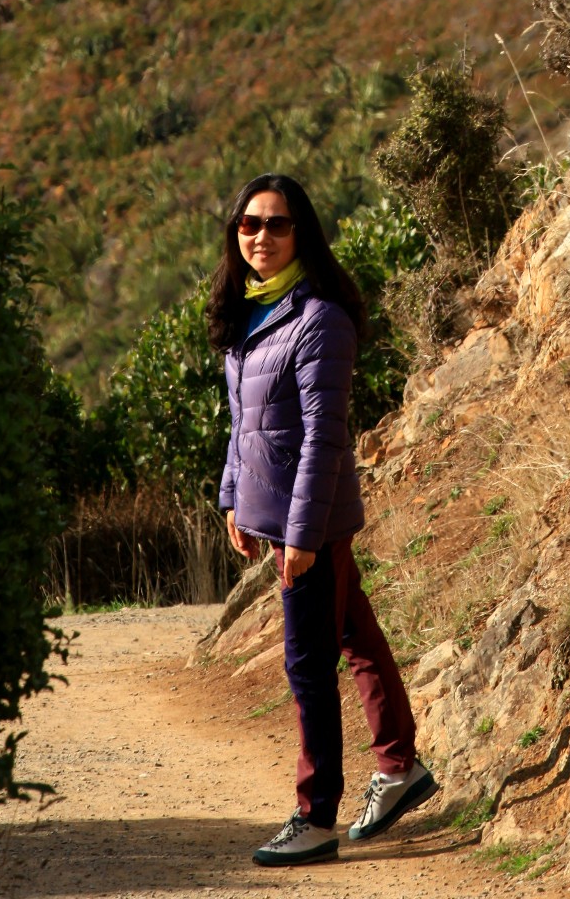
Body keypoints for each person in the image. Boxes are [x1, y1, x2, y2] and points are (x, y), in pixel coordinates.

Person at [209, 173, 438, 867]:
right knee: (353, 636)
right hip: (274, 514)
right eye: (250, 224)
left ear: (302, 232)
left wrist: (303, 536)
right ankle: (400, 767)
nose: (262, 236)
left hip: (307, 522)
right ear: (235, 234)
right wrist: (230, 497)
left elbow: (324, 436)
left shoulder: (320, 318)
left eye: (277, 225)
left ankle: (315, 816)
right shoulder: (246, 314)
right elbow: (243, 423)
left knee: (308, 665)